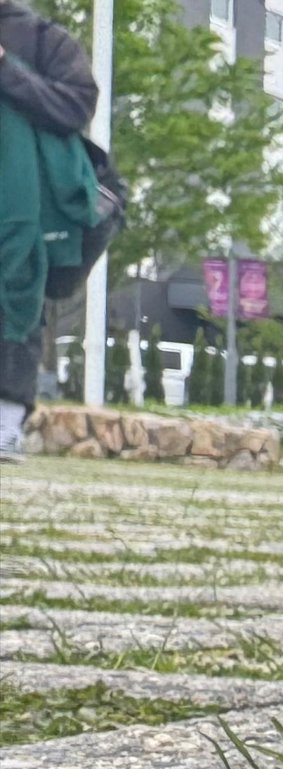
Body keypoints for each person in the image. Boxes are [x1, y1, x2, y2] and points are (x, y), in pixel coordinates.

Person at [0, 0, 98, 460]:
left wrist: (6, 69)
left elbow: (76, 106)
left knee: (18, 305)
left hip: (24, 208)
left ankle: (5, 425)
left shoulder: (44, 40)